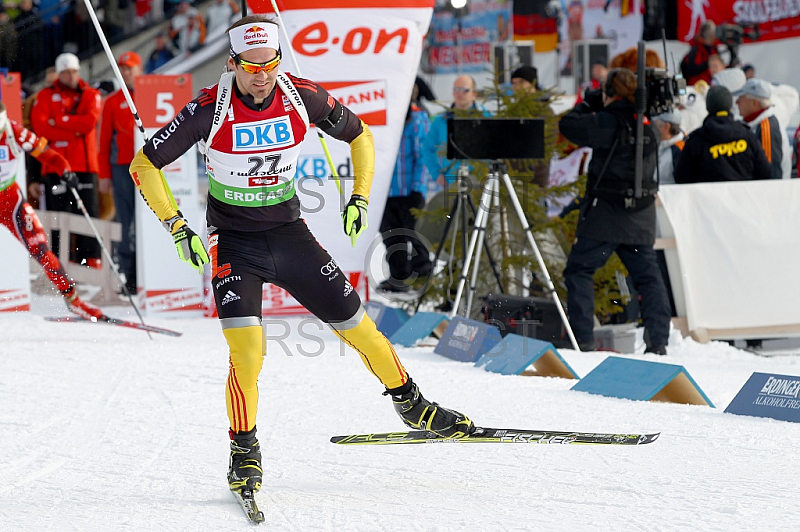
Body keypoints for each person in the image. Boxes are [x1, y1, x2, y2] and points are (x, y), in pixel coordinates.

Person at [128, 15, 474, 495]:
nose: (261, 74)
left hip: (290, 236)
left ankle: (413, 405)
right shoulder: (210, 107)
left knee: (361, 328)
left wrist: (358, 195)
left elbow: (361, 135)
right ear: (233, 64)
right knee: (247, 353)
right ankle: (244, 451)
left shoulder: (300, 94)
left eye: (269, 63)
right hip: (235, 244)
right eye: (250, 66)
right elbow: (144, 163)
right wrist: (176, 225)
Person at [558, 68, 671, 355]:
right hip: (640, 217)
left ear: (611, 93)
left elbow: (568, 126)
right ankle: (658, 342)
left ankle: (582, 340)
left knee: (580, 270)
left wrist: (590, 102)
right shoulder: (648, 124)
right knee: (648, 277)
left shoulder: (607, 122)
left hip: (605, 217)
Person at [0, 100, 105, 321]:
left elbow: (51, 156)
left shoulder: (15, 132)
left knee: (41, 248)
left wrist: (65, 171)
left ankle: (74, 302)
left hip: (9, 199)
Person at [30, 52, 102, 268]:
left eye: (73, 71)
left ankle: (91, 261)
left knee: (88, 213)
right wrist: (72, 130)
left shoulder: (90, 94)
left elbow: (88, 123)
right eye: (66, 72)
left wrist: (58, 121)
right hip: (54, 166)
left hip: (85, 165)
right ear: (58, 74)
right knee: (58, 216)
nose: (70, 76)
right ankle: (60, 263)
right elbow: (41, 128)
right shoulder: (43, 96)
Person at [99, 51, 142, 295]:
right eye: (122, 68)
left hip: (151, 167)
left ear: (139, 69)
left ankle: (151, 272)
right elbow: (103, 142)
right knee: (125, 223)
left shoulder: (153, 95)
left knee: (151, 220)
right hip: (123, 168)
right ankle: (130, 275)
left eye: (130, 68)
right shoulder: (113, 102)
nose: (126, 73)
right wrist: (104, 175)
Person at [378, 98, 432, 293]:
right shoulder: (383, 119)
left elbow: (423, 157)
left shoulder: (417, 121)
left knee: (414, 233)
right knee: (391, 236)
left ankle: (423, 274)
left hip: (409, 190)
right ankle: (399, 277)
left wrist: (418, 188)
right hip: (386, 190)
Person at [674, 85, 772, 183]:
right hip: (742, 196)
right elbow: (766, 174)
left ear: (708, 107)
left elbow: (681, 178)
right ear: (730, 106)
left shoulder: (696, 140)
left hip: (708, 197)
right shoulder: (747, 136)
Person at [421, 75, 485, 186]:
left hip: (481, 181)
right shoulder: (441, 121)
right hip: (452, 180)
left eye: (465, 90)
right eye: (456, 89)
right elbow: (427, 149)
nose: (460, 93)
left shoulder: (486, 119)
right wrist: (436, 174)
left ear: (474, 94)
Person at [733, 78, 791, 179]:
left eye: (741, 98)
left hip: (769, 193)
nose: (737, 102)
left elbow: (770, 174)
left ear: (754, 103)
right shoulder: (758, 124)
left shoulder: (766, 128)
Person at [680, 21, 719, 85]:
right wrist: (708, 64)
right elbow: (690, 71)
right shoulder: (696, 50)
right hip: (697, 86)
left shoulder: (714, 49)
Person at [653, 110, 685, 185]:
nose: (653, 129)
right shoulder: (659, 145)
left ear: (666, 127)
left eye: (656, 125)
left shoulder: (679, 150)